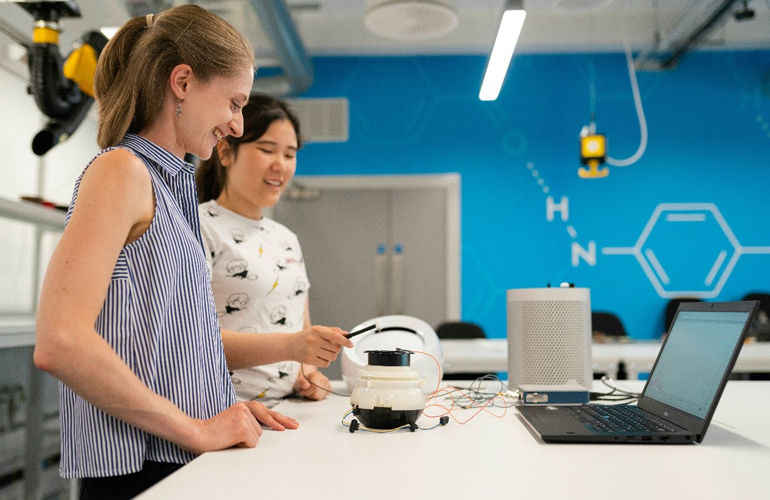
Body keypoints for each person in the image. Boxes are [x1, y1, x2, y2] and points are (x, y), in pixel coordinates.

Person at [32, 6, 351, 499]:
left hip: (176, 454)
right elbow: (61, 342)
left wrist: (222, 406)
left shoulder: (172, 187)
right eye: (233, 103)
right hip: (138, 466)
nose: (238, 124)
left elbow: (177, 342)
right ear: (182, 82)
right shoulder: (122, 170)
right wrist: (198, 429)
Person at [196, 95, 334, 402]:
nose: (280, 165)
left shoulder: (286, 238)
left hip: (287, 412)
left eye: (289, 154)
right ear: (226, 152)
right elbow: (195, 341)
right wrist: (291, 346)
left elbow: (300, 328)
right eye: (267, 150)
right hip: (225, 411)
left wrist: (308, 374)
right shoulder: (200, 226)